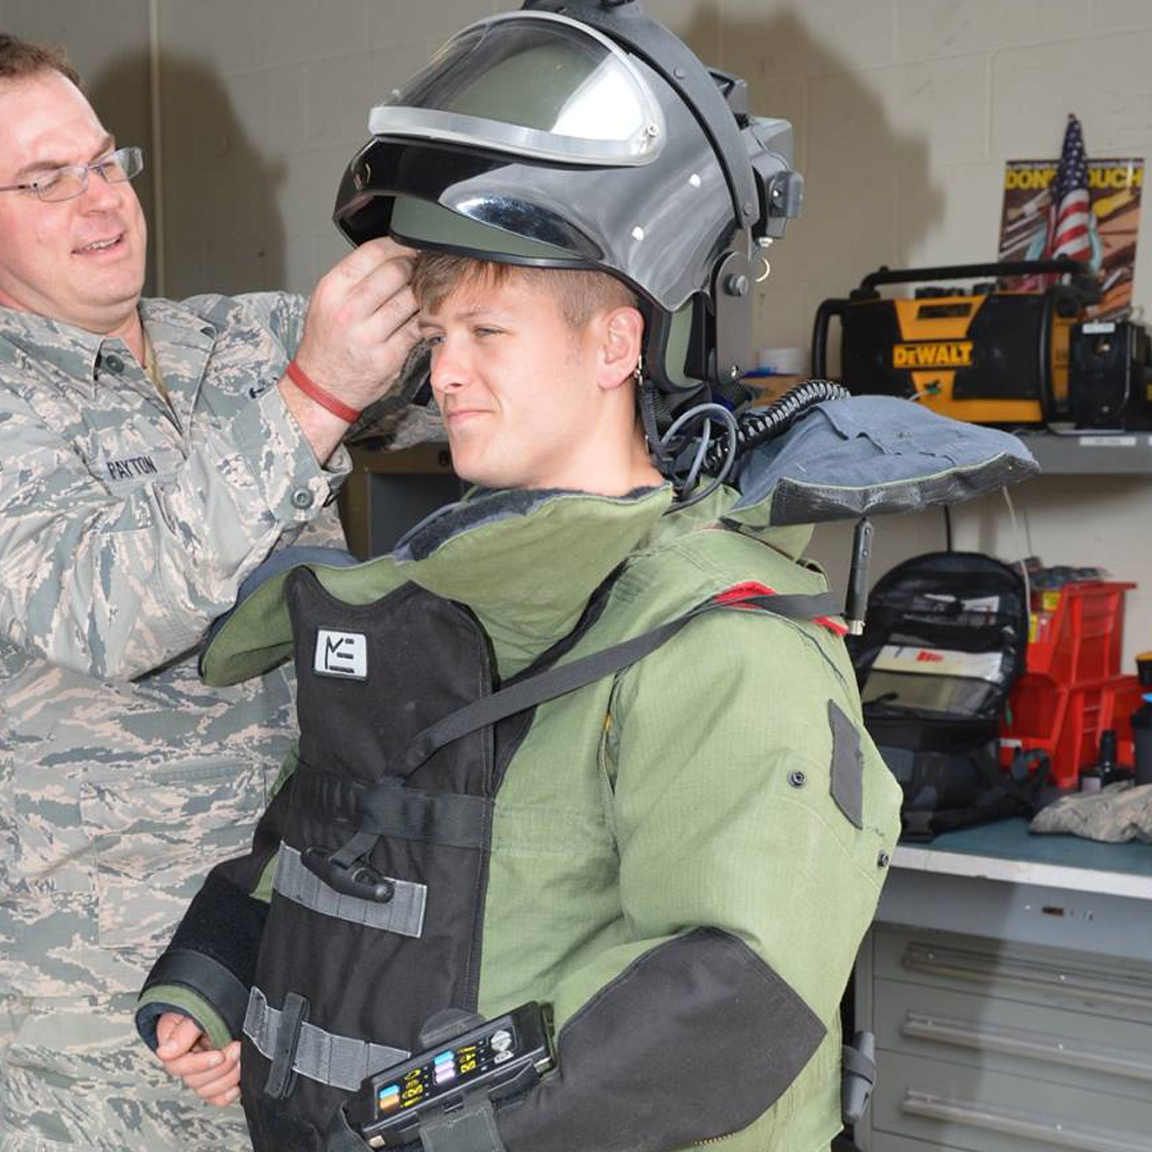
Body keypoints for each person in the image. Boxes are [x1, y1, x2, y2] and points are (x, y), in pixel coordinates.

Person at [136, 4, 1034, 1148]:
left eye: (488, 335)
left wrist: (461, 1134)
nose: (443, 372)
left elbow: (737, 991)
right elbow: (334, 835)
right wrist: (219, 977)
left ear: (614, 345)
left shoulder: (723, 645)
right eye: (439, 334)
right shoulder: (437, 604)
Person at [0, 33, 420, 1152]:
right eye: (44, 180)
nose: (101, 200)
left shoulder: (237, 339)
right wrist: (317, 395)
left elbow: (452, 360)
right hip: (98, 1036)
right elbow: (100, 607)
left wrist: (456, 246)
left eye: (105, 161)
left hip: (312, 951)